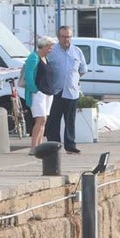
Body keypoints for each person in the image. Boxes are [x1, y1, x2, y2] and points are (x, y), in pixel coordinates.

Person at [44, 25, 87, 154]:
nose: (66, 39)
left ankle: (70, 145)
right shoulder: (52, 51)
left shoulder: (77, 51)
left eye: (68, 36)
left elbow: (83, 70)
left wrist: (73, 79)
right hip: (56, 91)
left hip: (72, 91)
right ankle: (54, 145)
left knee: (70, 121)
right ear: (58, 37)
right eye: (63, 36)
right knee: (54, 121)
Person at [22, 36, 55, 151]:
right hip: (39, 93)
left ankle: (39, 145)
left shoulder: (46, 58)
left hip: (48, 92)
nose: (51, 50)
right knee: (40, 119)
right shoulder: (34, 57)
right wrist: (35, 90)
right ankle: (33, 147)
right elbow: (29, 76)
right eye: (50, 48)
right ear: (44, 46)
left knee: (44, 120)